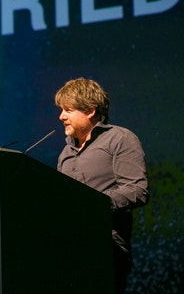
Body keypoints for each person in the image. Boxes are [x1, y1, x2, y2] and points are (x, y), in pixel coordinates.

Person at [54, 77, 149, 294]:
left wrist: (93, 203)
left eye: (68, 110)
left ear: (90, 111)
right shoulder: (65, 153)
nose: (61, 116)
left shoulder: (119, 139)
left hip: (105, 247)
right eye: (61, 110)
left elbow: (137, 190)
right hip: (68, 250)